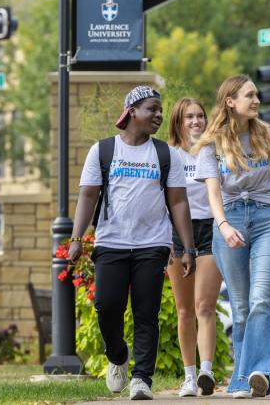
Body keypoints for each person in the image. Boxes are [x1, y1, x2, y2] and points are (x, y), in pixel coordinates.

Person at [68, 86, 196, 401]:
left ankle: (142, 379)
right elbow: (88, 195)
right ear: (132, 111)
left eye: (160, 110)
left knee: (146, 311)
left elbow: (178, 203)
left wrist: (188, 247)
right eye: (152, 109)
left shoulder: (166, 154)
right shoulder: (103, 151)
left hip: (152, 244)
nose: (158, 115)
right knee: (107, 306)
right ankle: (118, 355)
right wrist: (76, 239)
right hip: (111, 241)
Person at [194, 75, 270, 399]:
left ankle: (258, 371)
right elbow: (213, 193)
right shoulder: (212, 143)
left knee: (261, 297)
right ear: (230, 101)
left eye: (257, 95)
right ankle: (242, 379)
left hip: (266, 221)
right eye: (250, 95)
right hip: (230, 220)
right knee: (241, 308)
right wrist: (222, 226)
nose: (257, 100)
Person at [166, 97, 222, 397]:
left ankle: (206, 372)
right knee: (185, 309)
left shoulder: (213, 152)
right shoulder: (168, 155)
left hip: (210, 229)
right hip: (177, 234)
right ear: (178, 121)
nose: (196, 121)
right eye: (189, 117)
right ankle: (188, 375)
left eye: (200, 116)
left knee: (205, 305)